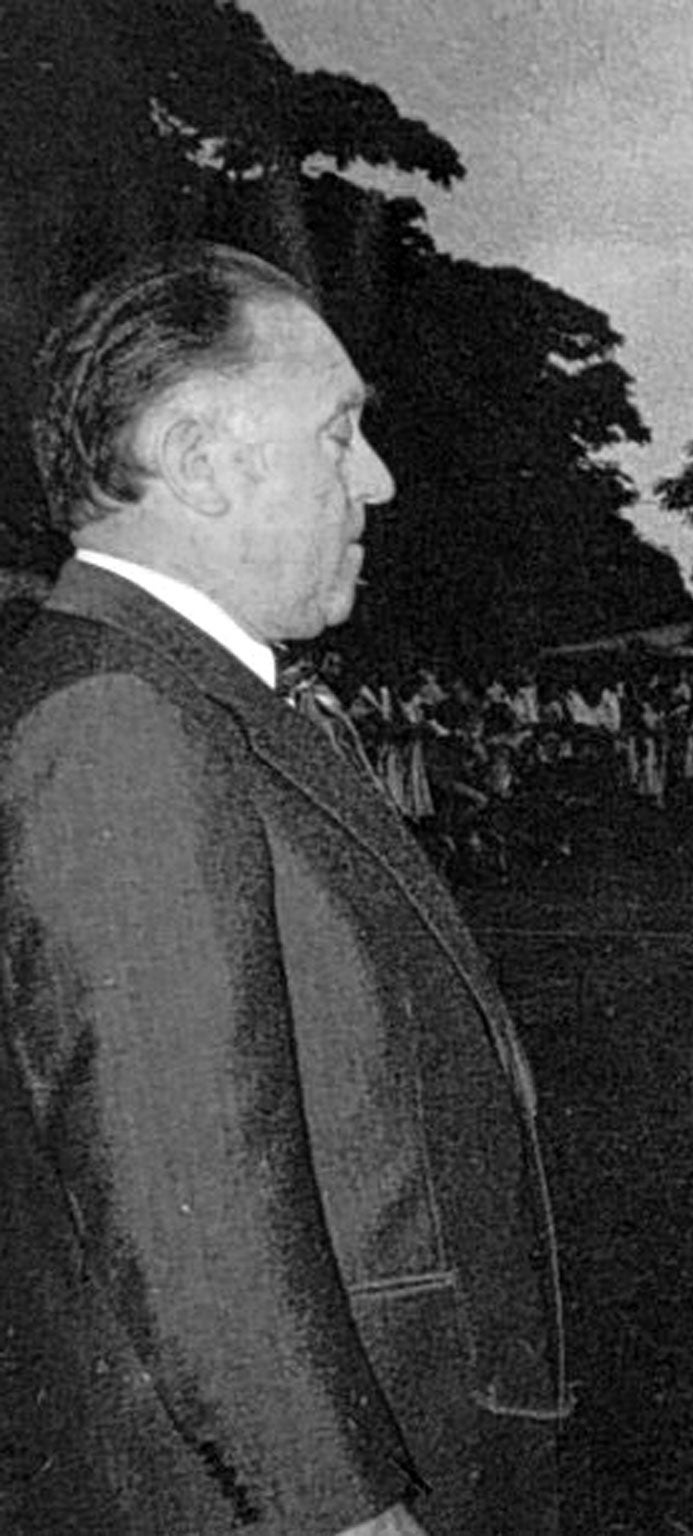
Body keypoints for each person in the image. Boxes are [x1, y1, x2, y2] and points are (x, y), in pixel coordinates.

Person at [0, 242, 568, 1534]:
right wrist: (340, 1509)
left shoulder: (183, 699)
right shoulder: (119, 722)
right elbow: (187, 1203)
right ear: (199, 458)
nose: (375, 477)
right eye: (339, 431)